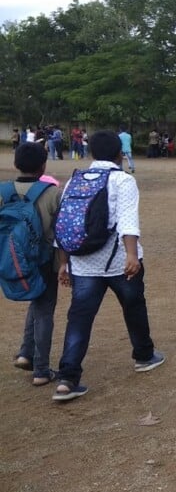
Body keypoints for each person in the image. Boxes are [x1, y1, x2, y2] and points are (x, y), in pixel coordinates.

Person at [52, 130, 165, 401]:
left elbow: (65, 224)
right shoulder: (123, 180)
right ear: (119, 154)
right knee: (134, 306)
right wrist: (132, 256)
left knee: (79, 317)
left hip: (83, 263)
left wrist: (64, 263)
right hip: (117, 261)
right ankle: (144, 355)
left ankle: (67, 378)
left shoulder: (74, 180)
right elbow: (128, 220)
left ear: (91, 153)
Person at [7, 143, 64, 387]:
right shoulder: (52, 192)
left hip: (11, 260)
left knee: (36, 303)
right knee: (44, 310)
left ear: (15, 164)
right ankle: (41, 369)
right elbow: (61, 233)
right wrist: (64, 264)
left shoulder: (2, 191)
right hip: (43, 261)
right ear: (43, 166)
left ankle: (25, 353)